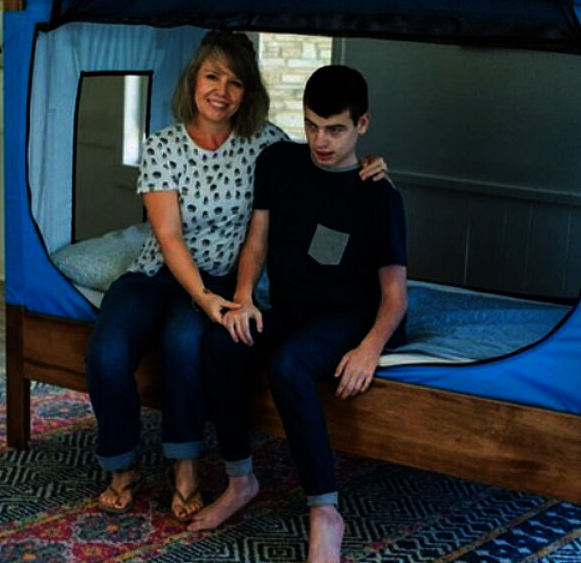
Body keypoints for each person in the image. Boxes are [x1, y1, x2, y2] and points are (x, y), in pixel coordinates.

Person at [84, 33, 387, 517]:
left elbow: (326, 156)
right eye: (212, 76)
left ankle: (184, 467)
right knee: (106, 349)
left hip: (222, 276)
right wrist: (202, 298)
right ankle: (122, 465)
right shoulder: (162, 146)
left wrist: (372, 166)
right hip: (157, 272)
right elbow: (169, 238)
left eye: (235, 82)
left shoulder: (267, 144)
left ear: (248, 92)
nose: (221, 91)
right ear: (194, 79)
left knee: (185, 342)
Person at [192, 65, 408, 563]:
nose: (321, 140)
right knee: (222, 343)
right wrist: (244, 297)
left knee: (289, 366)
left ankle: (325, 513)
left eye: (335, 129)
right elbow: (257, 241)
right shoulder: (278, 163)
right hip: (294, 308)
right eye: (311, 125)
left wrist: (370, 349)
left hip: (355, 315)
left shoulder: (378, 193)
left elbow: (396, 295)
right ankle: (240, 481)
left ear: (363, 125)